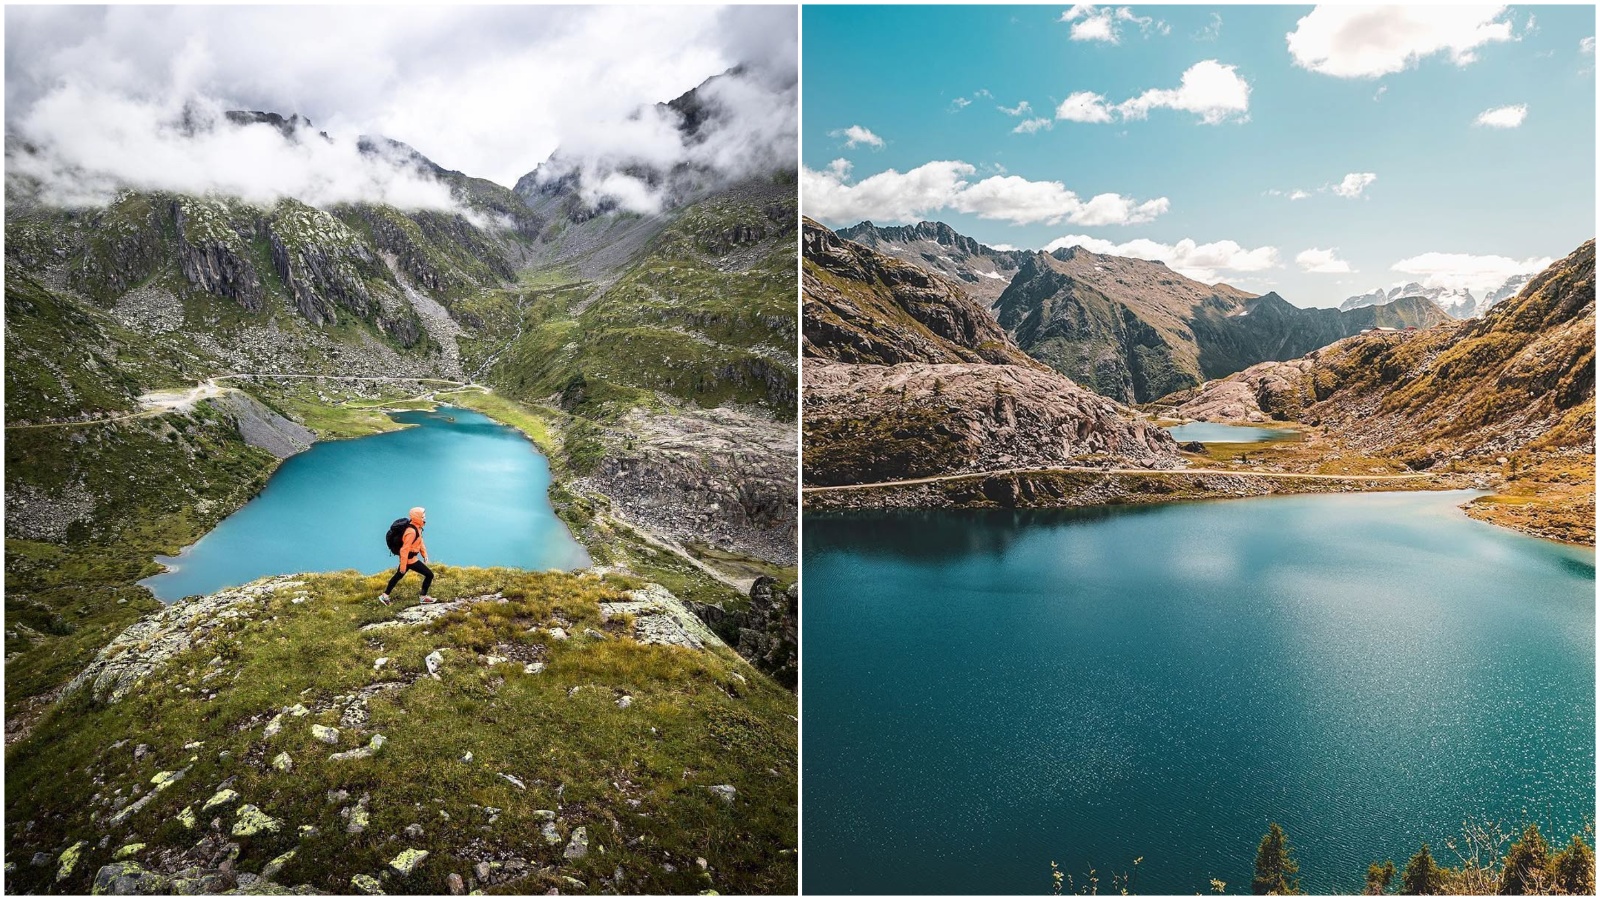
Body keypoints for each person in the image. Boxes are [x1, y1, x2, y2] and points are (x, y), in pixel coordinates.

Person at [379, 507, 436, 605]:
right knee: (429, 575)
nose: (425, 518)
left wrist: (424, 555)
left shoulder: (417, 527)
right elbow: (404, 549)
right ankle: (423, 597)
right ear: (417, 517)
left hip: (409, 558)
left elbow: (420, 541)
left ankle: (385, 595)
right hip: (409, 560)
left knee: (398, 576)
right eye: (423, 516)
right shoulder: (411, 531)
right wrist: (403, 565)